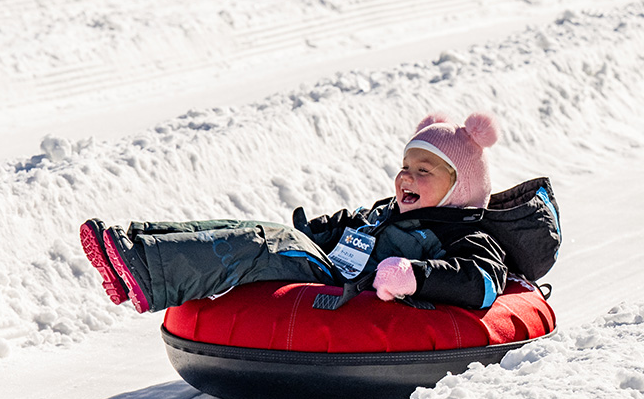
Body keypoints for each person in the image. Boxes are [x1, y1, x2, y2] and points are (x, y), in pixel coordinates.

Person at [80, 112, 554, 314]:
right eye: (404, 167)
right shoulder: (393, 211)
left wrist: (416, 275)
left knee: (258, 247)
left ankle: (141, 270)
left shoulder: (466, 231)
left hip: (350, 289)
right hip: (335, 267)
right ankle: (133, 249)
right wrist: (320, 229)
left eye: (423, 170)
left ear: (460, 186)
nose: (405, 178)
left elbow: (482, 281)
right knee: (255, 231)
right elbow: (356, 224)